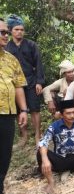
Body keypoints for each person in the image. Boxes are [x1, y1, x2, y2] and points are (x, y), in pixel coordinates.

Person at [6, 14, 45, 145]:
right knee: (18, 110)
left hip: (31, 81)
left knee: (35, 109)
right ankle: (24, 136)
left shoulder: (31, 45)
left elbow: (38, 63)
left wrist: (39, 82)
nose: (19, 32)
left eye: (22, 30)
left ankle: (38, 135)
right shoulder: (6, 47)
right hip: (14, 83)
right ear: (10, 30)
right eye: (16, 29)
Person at [0, 19, 28, 194]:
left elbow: (18, 85)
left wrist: (23, 109)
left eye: (6, 32)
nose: (6, 35)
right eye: (2, 32)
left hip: (7, 115)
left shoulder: (11, 59)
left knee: (4, 157)